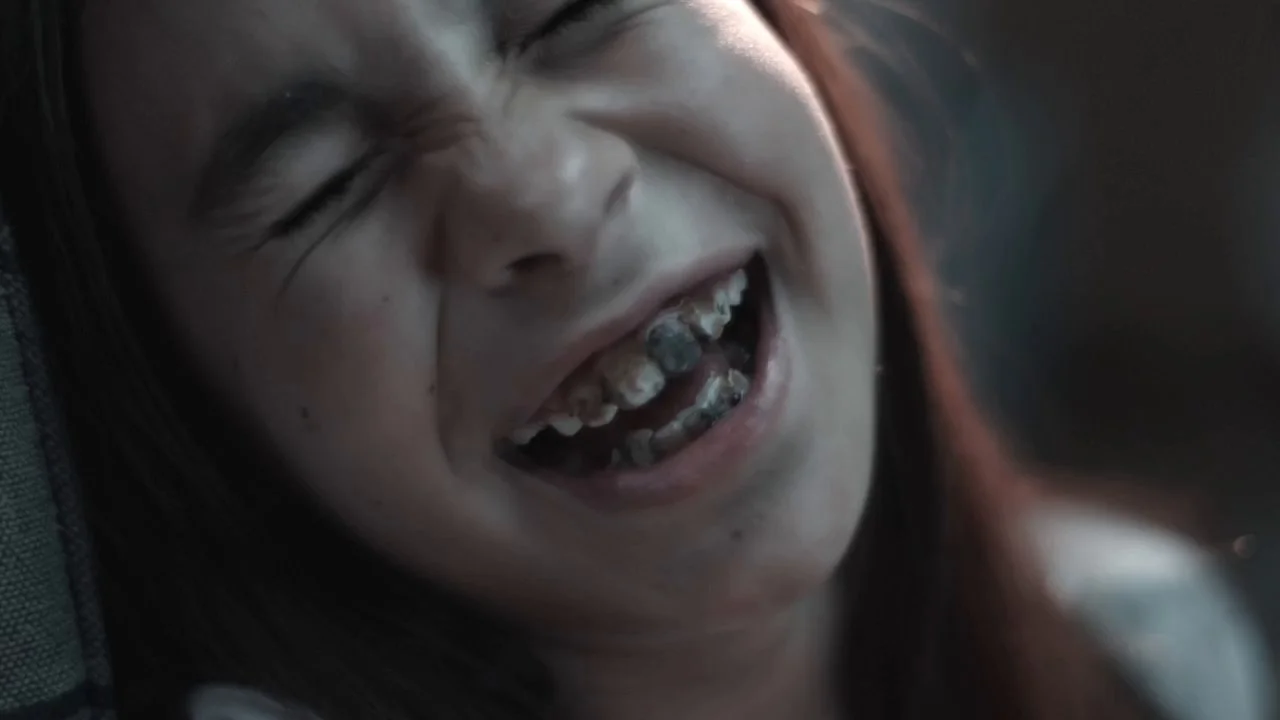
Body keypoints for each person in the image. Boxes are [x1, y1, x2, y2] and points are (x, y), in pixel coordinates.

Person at [0, 1, 1269, 719]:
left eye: (575, 10)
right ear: (178, 405)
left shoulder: (1154, 654)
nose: (546, 196)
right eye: (325, 187)